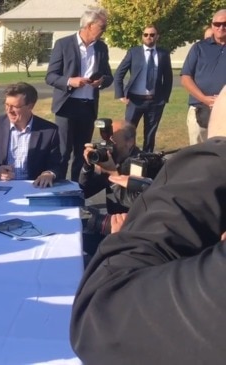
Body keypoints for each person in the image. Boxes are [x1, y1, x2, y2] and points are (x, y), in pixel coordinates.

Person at [70, 85, 226, 364]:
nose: (107, 143)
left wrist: (218, 154)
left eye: (113, 139)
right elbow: (84, 186)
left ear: (129, 142)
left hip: (141, 245)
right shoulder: (108, 159)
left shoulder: (147, 164)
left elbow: (105, 318)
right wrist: (93, 166)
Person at [46, 8, 113, 182]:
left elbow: (109, 76)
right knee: (62, 152)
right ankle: (58, 189)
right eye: (102, 26)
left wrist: (102, 81)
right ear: (90, 26)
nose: (104, 30)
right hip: (67, 106)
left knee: (82, 153)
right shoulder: (63, 44)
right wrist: (70, 81)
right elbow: (51, 76)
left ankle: (77, 190)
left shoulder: (101, 47)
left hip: (88, 107)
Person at [0, 82, 61, 187]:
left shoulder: (49, 131)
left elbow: (57, 164)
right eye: (6, 105)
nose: (9, 111)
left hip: (34, 188)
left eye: (14, 106)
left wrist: (49, 174)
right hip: (0, 188)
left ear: (30, 106)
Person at [114, 25, 173, 152]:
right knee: (128, 133)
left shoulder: (163, 54)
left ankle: (147, 160)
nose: (148, 37)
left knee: (150, 134)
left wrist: (164, 98)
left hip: (155, 101)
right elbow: (119, 73)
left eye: (152, 35)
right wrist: (120, 94)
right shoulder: (133, 52)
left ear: (157, 37)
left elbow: (168, 78)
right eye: (146, 34)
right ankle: (127, 158)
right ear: (142, 36)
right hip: (135, 100)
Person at [180, 9, 226, 145]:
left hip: (224, 110)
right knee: (198, 154)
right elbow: (186, 77)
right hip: (199, 109)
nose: (221, 27)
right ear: (212, 25)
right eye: (217, 24)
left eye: (225, 24)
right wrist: (205, 99)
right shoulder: (198, 48)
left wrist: (221, 101)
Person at [78, 120, 140, 215]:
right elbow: (84, 192)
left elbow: (134, 205)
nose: (108, 147)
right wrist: (88, 165)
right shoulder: (112, 160)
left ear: (130, 142)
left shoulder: (141, 165)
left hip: (132, 224)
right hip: (113, 222)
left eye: (112, 141)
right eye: (105, 141)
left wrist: (112, 174)